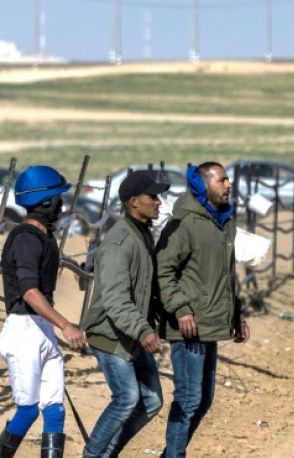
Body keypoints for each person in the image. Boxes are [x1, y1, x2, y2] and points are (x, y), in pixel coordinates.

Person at [155, 162, 249, 458]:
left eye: (228, 179)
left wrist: (237, 315)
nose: (229, 185)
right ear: (204, 185)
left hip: (210, 323)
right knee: (187, 399)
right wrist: (180, 308)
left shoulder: (224, 221)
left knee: (203, 399)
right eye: (222, 180)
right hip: (188, 326)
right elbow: (163, 270)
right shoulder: (184, 223)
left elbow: (226, 275)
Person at [80, 171, 171, 458]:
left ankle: (107, 453)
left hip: (131, 332)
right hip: (111, 335)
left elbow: (145, 288)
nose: (158, 202)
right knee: (126, 399)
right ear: (134, 202)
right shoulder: (119, 242)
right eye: (152, 197)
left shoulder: (142, 233)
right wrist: (144, 330)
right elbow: (115, 299)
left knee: (152, 401)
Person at [0, 165, 86, 458]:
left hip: (42, 327)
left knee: (54, 409)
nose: (61, 205)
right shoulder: (25, 239)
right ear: (46, 202)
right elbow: (29, 291)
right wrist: (66, 325)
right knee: (27, 410)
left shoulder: (43, 237)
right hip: (24, 331)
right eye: (58, 198)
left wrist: (53, 326)